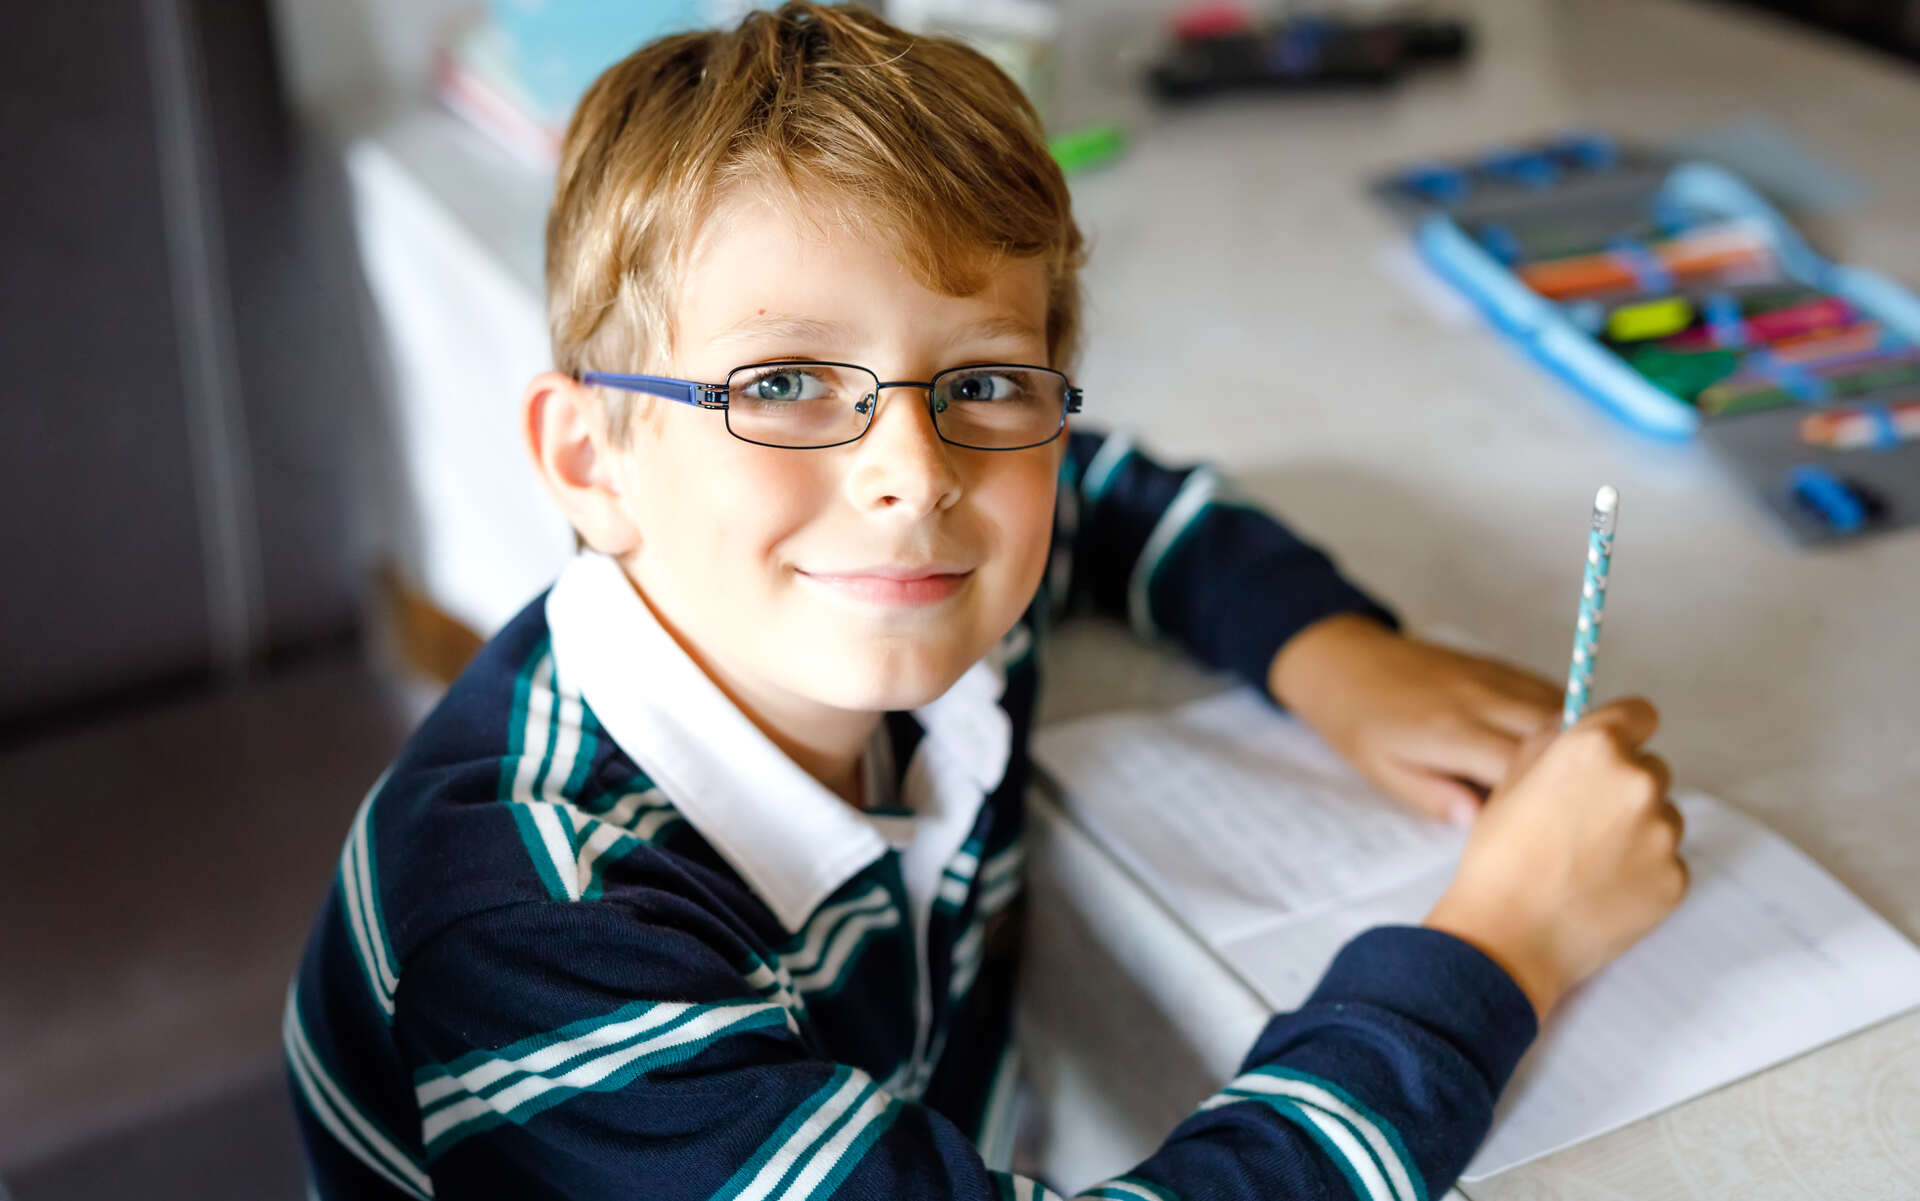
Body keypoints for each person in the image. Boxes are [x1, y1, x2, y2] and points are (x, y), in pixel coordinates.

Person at [285, 5, 1688, 1198]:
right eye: (781, 384)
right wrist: (1506, 943)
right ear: (591, 458)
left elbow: (1105, 501)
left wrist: (1334, 654)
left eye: (982, 383)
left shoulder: (909, 595)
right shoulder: (534, 937)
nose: (915, 472)